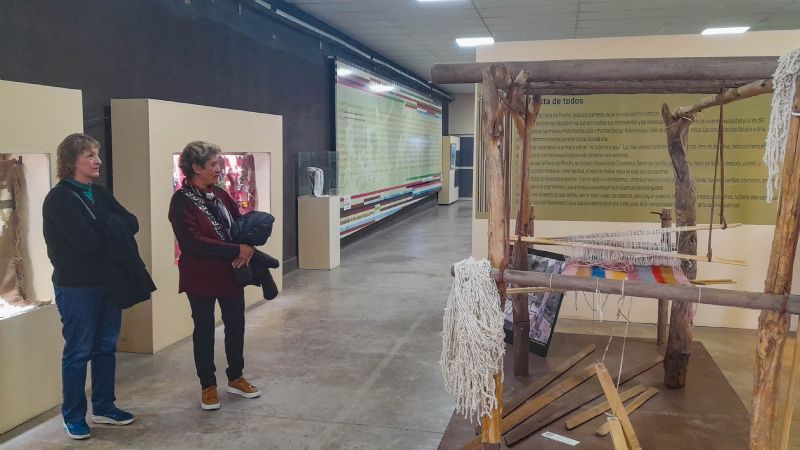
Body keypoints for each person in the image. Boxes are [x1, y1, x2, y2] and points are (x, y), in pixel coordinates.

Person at [43, 134, 139, 440]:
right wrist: (112, 227)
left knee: (106, 348)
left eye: (97, 155)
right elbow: (86, 244)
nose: (98, 161)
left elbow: (132, 222)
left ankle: (103, 406)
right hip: (77, 288)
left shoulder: (99, 192)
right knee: (78, 352)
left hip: (108, 283)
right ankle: (72, 415)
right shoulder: (59, 199)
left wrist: (109, 226)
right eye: (90, 156)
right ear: (72, 161)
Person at [168, 141, 261, 411]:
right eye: (213, 165)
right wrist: (236, 248)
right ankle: (208, 385)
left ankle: (236, 377)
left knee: (236, 325)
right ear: (196, 168)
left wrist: (251, 238)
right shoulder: (181, 201)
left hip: (231, 272)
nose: (219, 169)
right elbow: (192, 242)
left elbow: (238, 222)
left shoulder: (220, 194)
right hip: (200, 276)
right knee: (205, 330)